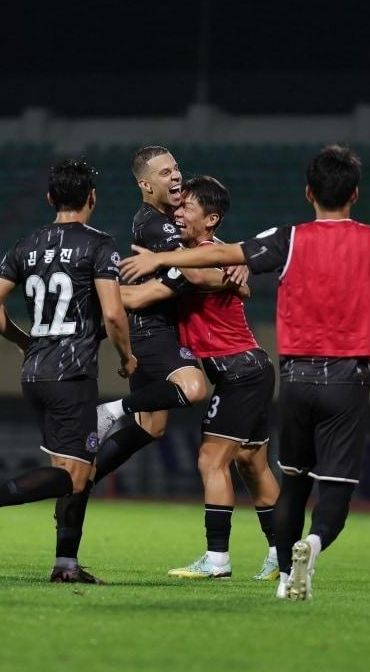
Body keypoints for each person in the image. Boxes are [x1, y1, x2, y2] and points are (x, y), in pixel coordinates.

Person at [118, 144, 370, 600]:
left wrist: (162, 259)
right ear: (356, 194)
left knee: (281, 478)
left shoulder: (288, 239)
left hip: (296, 377)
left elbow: (227, 254)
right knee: (318, 487)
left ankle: (264, 566)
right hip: (349, 378)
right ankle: (309, 544)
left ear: (309, 192)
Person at [0, 158, 136, 584]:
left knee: (75, 472)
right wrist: (127, 357)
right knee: (73, 476)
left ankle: (65, 565)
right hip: (72, 374)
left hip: (35, 371)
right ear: (92, 197)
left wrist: (23, 342)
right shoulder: (100, 244)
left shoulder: (27, 244)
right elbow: (112, 313)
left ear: (50, 198)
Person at [120, 176, 280, 580]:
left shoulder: (205, 256)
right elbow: (152, 294)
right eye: (178, 206)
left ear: (211, 220)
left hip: (239, 373)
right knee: (252, 465)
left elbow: (190, 280)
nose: (178, 212)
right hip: (251, 369)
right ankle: (283, 556)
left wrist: (154, 264)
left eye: (187, 208)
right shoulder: (201, 257)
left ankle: (218, 560)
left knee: (211, 460)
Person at [92, 147, 247, 483]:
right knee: (193, 388)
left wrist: (232, 257)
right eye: (164, 173)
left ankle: (81, 481)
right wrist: (232, 279)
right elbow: (193, 273)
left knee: (152, 426)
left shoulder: (171, 221)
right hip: (153, 330)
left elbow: (205, 245)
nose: (176, 175)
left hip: (154, 328)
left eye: (176, 168)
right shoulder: (154, 225)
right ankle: (110, 410)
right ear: (147, 186)